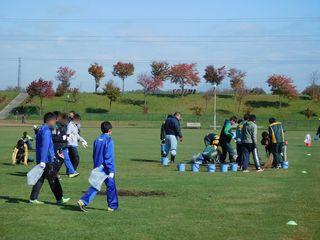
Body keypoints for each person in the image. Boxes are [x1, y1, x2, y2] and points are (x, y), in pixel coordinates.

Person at [29, 112, 70, 205]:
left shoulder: (41, 129)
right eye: (54, 121)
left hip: (41, 159)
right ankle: (60, 198)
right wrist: (43, 161)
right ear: (50, 121)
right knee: (53, 178)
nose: (55, 123)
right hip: (46, 160)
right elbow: (45, 146)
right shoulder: (46, 131)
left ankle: (33, 198)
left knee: (40, 179)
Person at [77, 121, 118, 212]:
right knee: (111, 186)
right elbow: (108, 156)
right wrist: (111, 170)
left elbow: (94, 154)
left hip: (97, 166)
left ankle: (83, 201)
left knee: (95, 185)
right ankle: (112, 206)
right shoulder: (109, 140)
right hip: (106, 168)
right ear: (110, 130)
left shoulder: (97, 139)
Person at [52, 111, 79, 178]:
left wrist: (68, 136)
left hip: (64, 146)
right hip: (58, 146)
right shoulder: (56, 126)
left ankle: (72, 172)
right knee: (58, 161)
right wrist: (63, 138)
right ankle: (53, 173)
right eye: (66, 120)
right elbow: (54, 137)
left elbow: (64, 134)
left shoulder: (64, 126)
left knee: (67, 159)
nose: (67, 122)